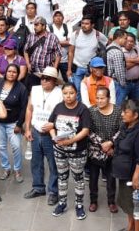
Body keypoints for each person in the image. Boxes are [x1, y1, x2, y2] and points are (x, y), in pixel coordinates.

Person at [48, 83, 92, 220]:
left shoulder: (83, 109)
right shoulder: (58, 107)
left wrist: (70, 141)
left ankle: (79, 205)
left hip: (77, 151)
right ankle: (62, 203)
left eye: (71, 93)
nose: (68, 96)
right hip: (59, 150)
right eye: (65, 93)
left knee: (78, 178)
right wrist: (54, 137)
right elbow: (51, 125)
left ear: (76, 93)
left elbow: (86, 130)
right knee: (62, 177)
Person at [112, 99, 139, 231]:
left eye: (126, 112)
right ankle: (130, 228)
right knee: (128, 205)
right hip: (125, 175)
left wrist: (136, 176)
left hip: (136, 177)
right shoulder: (126, 126)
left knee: (137, 208)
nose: (122, 114)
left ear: (136, 115)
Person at [24, 66, 64, 206]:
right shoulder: (34, 90)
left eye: (47, 79)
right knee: (36, 162)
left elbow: (64, 114)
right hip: (35, 131)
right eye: (42, 78)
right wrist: (27, 129)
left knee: (53, 164)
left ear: (54, 81)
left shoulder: (60, 93)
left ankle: (53, 192)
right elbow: (30, 109)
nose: (44, 81)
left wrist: (54, 126)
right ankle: (38, 187)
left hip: (50, 134)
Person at [87, 86, 121, 213]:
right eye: (97, 98)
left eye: (102, 98)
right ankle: (93, 201)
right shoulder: (91, 111)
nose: (99, 101)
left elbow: (121, 130)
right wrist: (102, 144)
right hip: (95, 151)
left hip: (112, 151)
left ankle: (111, 202)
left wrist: (111, 143)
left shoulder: (118, 111)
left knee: (111, 178)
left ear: (109, 98)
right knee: (93, 178)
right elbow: (88, 131)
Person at [0, 64, 28, 184]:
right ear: (5, 72)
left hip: (13, 123)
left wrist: (19, 124)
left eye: (14, 72)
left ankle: (17, 169)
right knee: (1, 146)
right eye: (9, 71)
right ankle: (6, 168)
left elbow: (24, 108)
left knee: (16, 147)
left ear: (17, 74)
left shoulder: (21, 88)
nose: (11, 74)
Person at [66, 17, 108, 94]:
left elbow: (108, 45)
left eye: (86, 24)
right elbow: (71, 52)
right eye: (82, 23)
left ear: (92, 25)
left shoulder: (98, 35)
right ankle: (79, 105)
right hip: (78, 67)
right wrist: (69, 69)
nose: (83, 25)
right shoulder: (75, 34)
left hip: (92, 69)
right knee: (77, 90)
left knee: (92, 90)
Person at [23, 16, 61, 89]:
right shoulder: (31, 36)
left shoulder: (53, 37)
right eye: (34, 25)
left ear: (43, 26)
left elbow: (58, 54)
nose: (35, 27)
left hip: (46, 72)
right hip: (33, 71)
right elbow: (25, 51)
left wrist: (54, 69)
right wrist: (28, 64)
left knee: (46, 91)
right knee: (33, 91)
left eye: (37, 25)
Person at [120, 33, 139, 104]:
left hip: (137, 83)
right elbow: (126, 66)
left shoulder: (136, 49)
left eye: (131, 41)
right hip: (125, 83)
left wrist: (129, 60)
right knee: (121, 103)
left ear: (134, 42)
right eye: (127, 41)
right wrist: (138, 61)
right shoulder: (120, 51)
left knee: (136, 104)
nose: (129, 43)